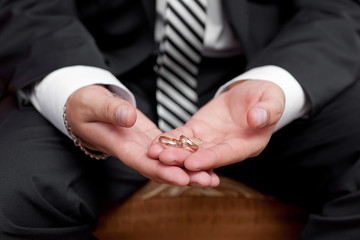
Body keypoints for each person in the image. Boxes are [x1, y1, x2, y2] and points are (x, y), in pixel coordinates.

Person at [0, 0, 360, 239]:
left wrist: (278, 83)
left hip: (271, 69)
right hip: (104, 72)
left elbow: (339, 9)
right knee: (12, 187)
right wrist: (73, 86)